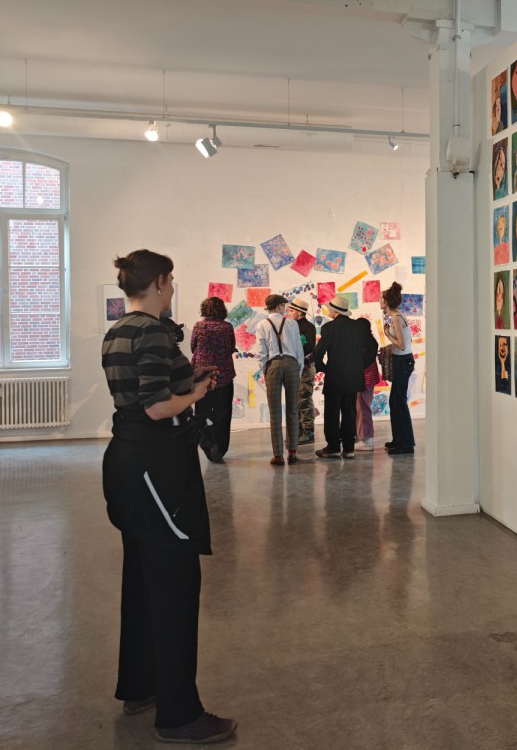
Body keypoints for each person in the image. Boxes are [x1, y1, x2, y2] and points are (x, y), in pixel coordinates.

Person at [100, 249, 235, 745]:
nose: (173, 287)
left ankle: (141, 685)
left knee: (143, 581)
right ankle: (179, 715)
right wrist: (197, 394)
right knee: (176, 585)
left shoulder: (119, 330)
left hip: (127, 464)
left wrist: (191, 378)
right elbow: (157, 406)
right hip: (156, 469)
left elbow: (142, 389)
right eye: (171, 280)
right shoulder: (154, 331)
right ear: (158, 282)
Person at [315, 297, 377, 459]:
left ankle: (333, 447)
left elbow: (318, 353)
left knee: (332, 413)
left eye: (330, 308)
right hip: (353, 377)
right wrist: (360, 365)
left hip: (335, 376)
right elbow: (373, 347)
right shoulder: (358, 327)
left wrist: (324, 368)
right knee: (350, 412)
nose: (328, 311)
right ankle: (349, 448)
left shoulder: (328, 328)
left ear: (335, 311)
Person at [254, 294, 304, 466]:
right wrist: (299, 369)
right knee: (293, 409)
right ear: (278, 306)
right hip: (291, 364)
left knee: (275, 412)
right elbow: (298, 349)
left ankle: (278, 455)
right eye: (284, 305)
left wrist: (265, 369)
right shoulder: (292, 323)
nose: (286, 309)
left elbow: (261, 352)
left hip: (273, 365)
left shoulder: (261, 324)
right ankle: (292, 452)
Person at [189, 297, 237, 463]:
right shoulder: (227, 327)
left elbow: (193, 347)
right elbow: (231, 347)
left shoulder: (199, 326)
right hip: (224, 374)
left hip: (202, 376)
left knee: (202, 412)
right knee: (223, 413)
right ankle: (221, 448)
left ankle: (208, 445)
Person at [381, 283, 416, 455]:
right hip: (401, 361)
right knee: (395, 402)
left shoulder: (396, 318)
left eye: (381, 299)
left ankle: (407, 444)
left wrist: (387, 334)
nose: (379, 301)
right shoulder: (396, 316)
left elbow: (401, 345)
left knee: (399, 402)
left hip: (403, 361)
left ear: (386, 302)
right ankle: (398, 440)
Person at [286, 298, 316, 444]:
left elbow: (309, 348)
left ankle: (308, 431)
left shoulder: (308, 327)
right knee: (295, 399)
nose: (289, 312)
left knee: (304, 397)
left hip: (305, 367)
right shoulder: (289, 326)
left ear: (299, 312)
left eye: (291, 310)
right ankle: (297, 431)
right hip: (293, 367)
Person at [353, 316, 379, 450]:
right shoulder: (369, 340)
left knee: (363, 409)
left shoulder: (366, 342)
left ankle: (366, 439)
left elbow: (363, 361)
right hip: (365, 378)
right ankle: (362, 436)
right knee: (361, 408)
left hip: (364, 379)